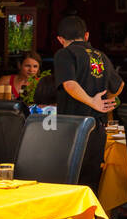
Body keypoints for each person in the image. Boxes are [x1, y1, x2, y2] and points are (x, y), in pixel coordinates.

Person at [52, 15, 123, 194]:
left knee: (69, 181)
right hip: (97, 128)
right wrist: (106, 101)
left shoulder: (64, 53)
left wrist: (92, 101)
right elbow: (120, 85)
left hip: (72, 126)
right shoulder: (101, 56)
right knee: (90, 182)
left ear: (60, 39)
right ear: (86, 36)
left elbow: (69, 84)